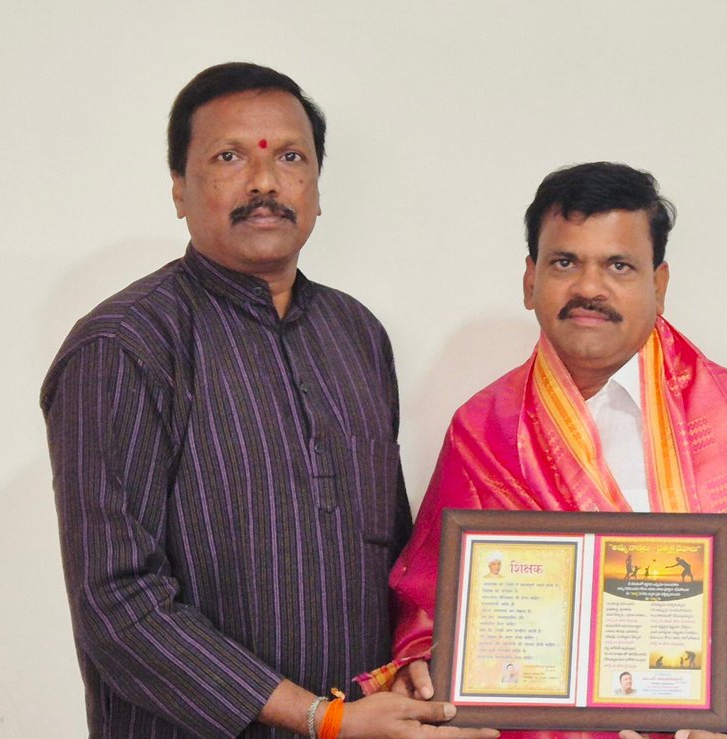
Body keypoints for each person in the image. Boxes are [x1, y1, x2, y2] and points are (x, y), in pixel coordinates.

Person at [40, 62, 495, 739]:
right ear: (178, 188)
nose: (264, 182)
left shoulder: (356, 334)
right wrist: (319, 717)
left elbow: (392, 557)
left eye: (290, 158)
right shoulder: (125, 345)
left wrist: (410, 667)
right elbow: (118, 604)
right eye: (229, 157)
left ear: (317, 187)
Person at [371, 163, 727, 737]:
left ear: (659, 285)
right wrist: (420, 662)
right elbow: (429, 602)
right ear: (530, 280)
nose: (589, 288)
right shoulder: (483, 430)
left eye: (618, 265)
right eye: (565, 263)